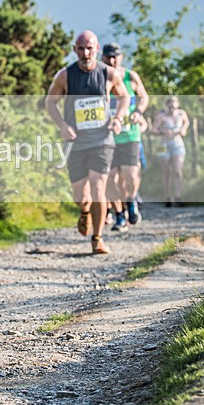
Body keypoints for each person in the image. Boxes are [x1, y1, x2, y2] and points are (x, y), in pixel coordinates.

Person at [46, 31, 129, 254]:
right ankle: (85, 212)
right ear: (75, 50)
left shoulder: (109, 74)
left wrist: (118, 118)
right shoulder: (65, 76)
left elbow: (124, 97)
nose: (85, 53)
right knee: (80, 196)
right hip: (75, 142)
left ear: (97, 49)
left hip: (102, 140)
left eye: (90, 48)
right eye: (81, 49)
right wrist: (63, 125)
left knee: (98, 186)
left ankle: (98, 238)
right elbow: (50, 102)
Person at [101, 43, 149, 232]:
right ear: (102, 58)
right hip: (107, 137)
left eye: (115, 57)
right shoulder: (98, 77)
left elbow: (143, 97)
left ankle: (131, 200)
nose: (112, 60)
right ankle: (119, 215)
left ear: (121, 57)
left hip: (130, 134)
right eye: (108, 57)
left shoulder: (130, 76)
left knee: (130, 175)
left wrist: (138, 111)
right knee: (111, 179)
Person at [151, 96, 190, 207]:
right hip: (163, 145)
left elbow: (186, 122)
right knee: (166, 172)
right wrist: (162, 132)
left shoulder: (181, 114)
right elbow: (153, 130)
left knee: (178, 171)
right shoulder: (161, 116)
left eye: (174, 102)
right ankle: (167, 197)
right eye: (169, 102)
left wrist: (183, 129)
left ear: (177, 103)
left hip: (178, 144)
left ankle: (178, 196)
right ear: (166, 104)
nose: (172, 104)